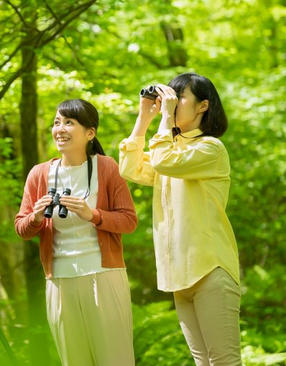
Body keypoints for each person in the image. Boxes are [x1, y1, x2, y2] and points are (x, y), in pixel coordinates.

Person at [118, 73, 240, 365]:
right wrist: (144, 118)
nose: (170, 104)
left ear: (202, 106)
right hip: (179, 276)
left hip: (211, 269)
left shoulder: (210, 149)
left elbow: (162, 161)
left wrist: (164, 121)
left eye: (179, 97)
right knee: (202, 361)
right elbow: (130, 168)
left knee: (224, 361)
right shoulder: (171, 149)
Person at [15, 99, 137, 366]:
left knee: (115, 360)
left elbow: (129, 220)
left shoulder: (107, 167)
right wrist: (36, 217)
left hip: (104, 276)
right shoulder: (39, 174)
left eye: (69, 122)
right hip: (59, 280)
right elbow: (22, 228)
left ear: (90, 133)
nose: (60, 128)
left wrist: (92, 214)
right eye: (56, 122)